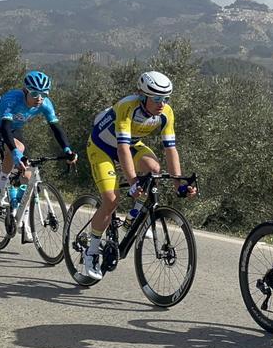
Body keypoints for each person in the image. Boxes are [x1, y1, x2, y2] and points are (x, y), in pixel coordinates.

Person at [78, 70, 197, 281]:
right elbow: (122, 148)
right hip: (102, 147)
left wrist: (179, 183)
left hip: (130, 145)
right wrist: (132, 182)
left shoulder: (166, 113)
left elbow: (171, 149)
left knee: (154, 169)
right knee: (111, 200)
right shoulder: (127, 107)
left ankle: (131, 220)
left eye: (166, 98)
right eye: (157, 98)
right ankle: (91, 252)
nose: (162, 103)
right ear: (142, 96)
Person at [0, 70, 76, 242]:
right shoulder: (12, 99)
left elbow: (56, 129)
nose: (39, 98)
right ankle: (1, 186)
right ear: (25, 91)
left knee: (28, 173)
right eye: (34, 94)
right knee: (17, 148)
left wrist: (68, 150)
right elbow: (5, 127)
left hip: (14, 129)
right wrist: (16, 154)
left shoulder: (45, 104)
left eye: (44, 94)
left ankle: (23, 220)